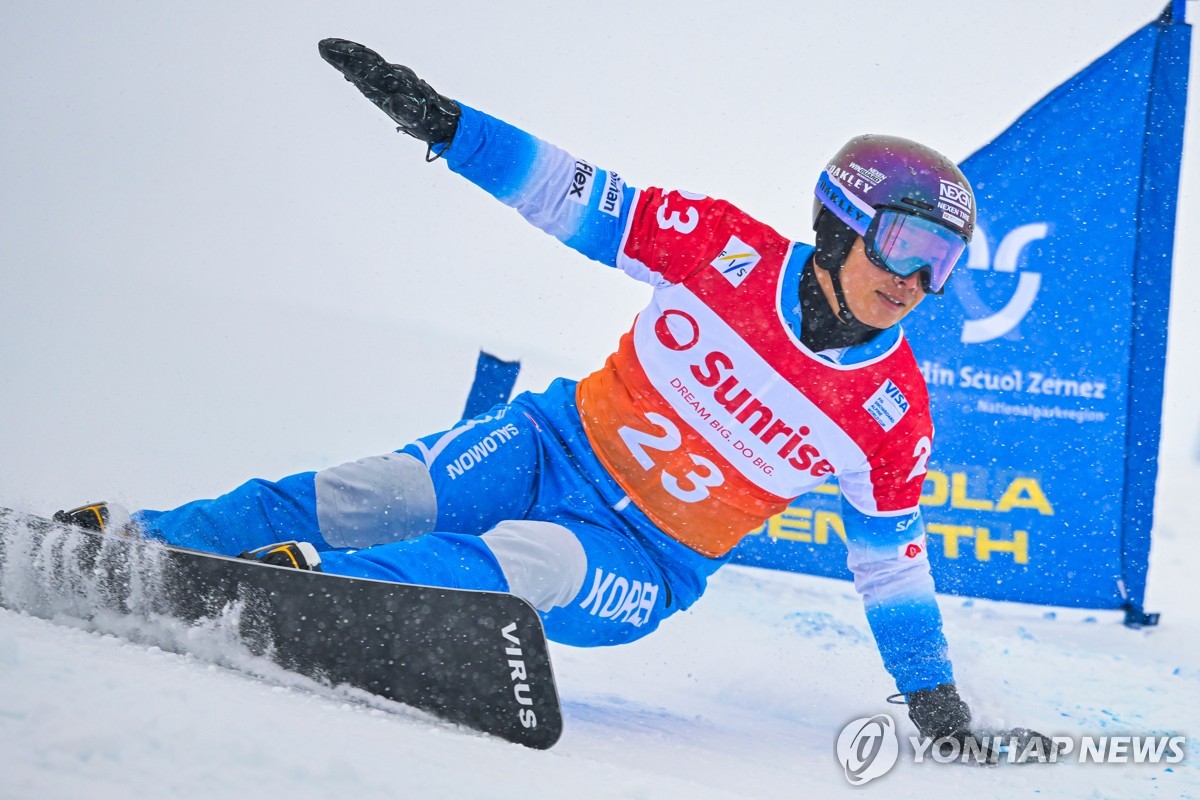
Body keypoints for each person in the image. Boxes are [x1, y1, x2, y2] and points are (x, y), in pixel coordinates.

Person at [56, 38, 1038, 751]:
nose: (919, 281)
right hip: (547, 446)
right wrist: (448, 127)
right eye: (908, 245)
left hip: (644, 560)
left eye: (945, 263)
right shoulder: (722, 250)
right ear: (841, 223)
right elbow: (572, 194)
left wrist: (936, 701)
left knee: (528, 559)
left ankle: (310, 587)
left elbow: (890, 567)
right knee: (376, 492)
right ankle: (134, 540)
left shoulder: (890, 412)